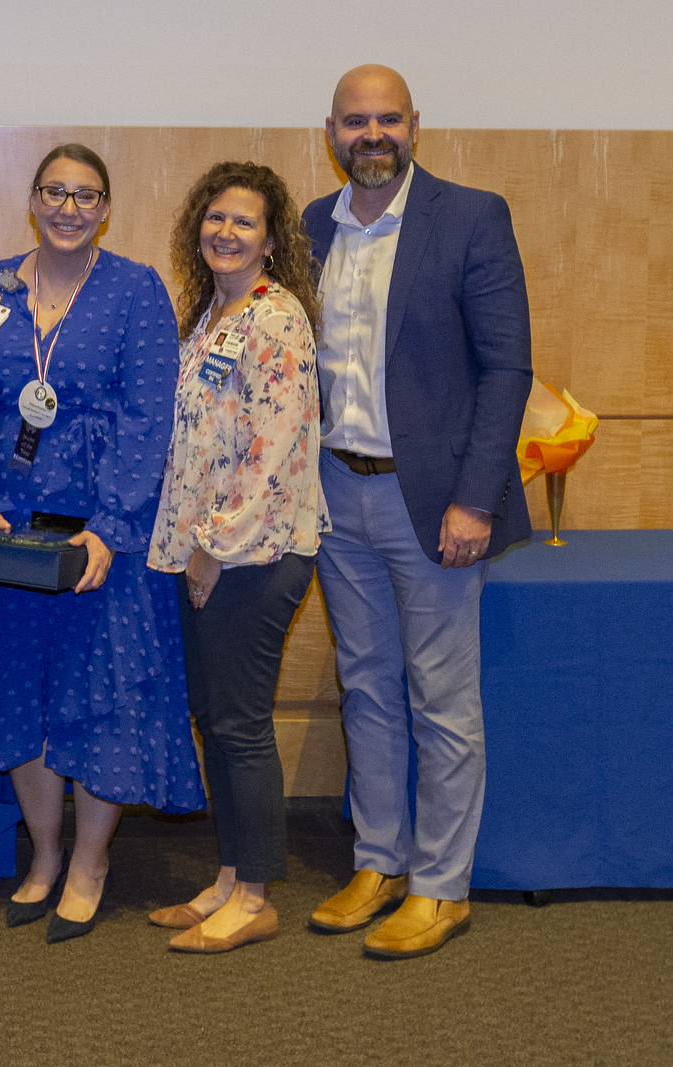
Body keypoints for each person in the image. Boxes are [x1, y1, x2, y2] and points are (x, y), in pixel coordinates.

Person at [303, 65, 532, 959]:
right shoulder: (311, 228)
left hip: (433, 502)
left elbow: (506, 368)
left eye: (387, 119)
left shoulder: (471, 218)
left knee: (442, 699)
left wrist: (476, 498)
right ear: (330, 132)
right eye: (355, 121)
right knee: (365, 687)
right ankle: (379, 860)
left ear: (415, 126)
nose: (372, 134)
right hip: (334, 495)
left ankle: (442, 885)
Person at [0, 143, 205, 944]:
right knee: (17, 691)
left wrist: (112, 527)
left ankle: (91, 862)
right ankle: (45, 853)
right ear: (32, 200)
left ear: (105, 208)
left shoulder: (134, 290)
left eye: (86, 195)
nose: (68, 207)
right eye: (54, 192)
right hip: (11, 534)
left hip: (107, 536)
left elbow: (148, 418)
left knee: (102, 700)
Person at [145, 162, 330, 953]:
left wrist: (214, 547)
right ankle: (229, 875)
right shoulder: (215, 313)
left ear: (271, 238)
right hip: (208, 551)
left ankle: (255, 896)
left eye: (243, 222)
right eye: (215, 218)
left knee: (243, 725)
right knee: (216, 721)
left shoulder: (276, 316)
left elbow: (270, 447)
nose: (225, 232)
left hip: (254, 554)